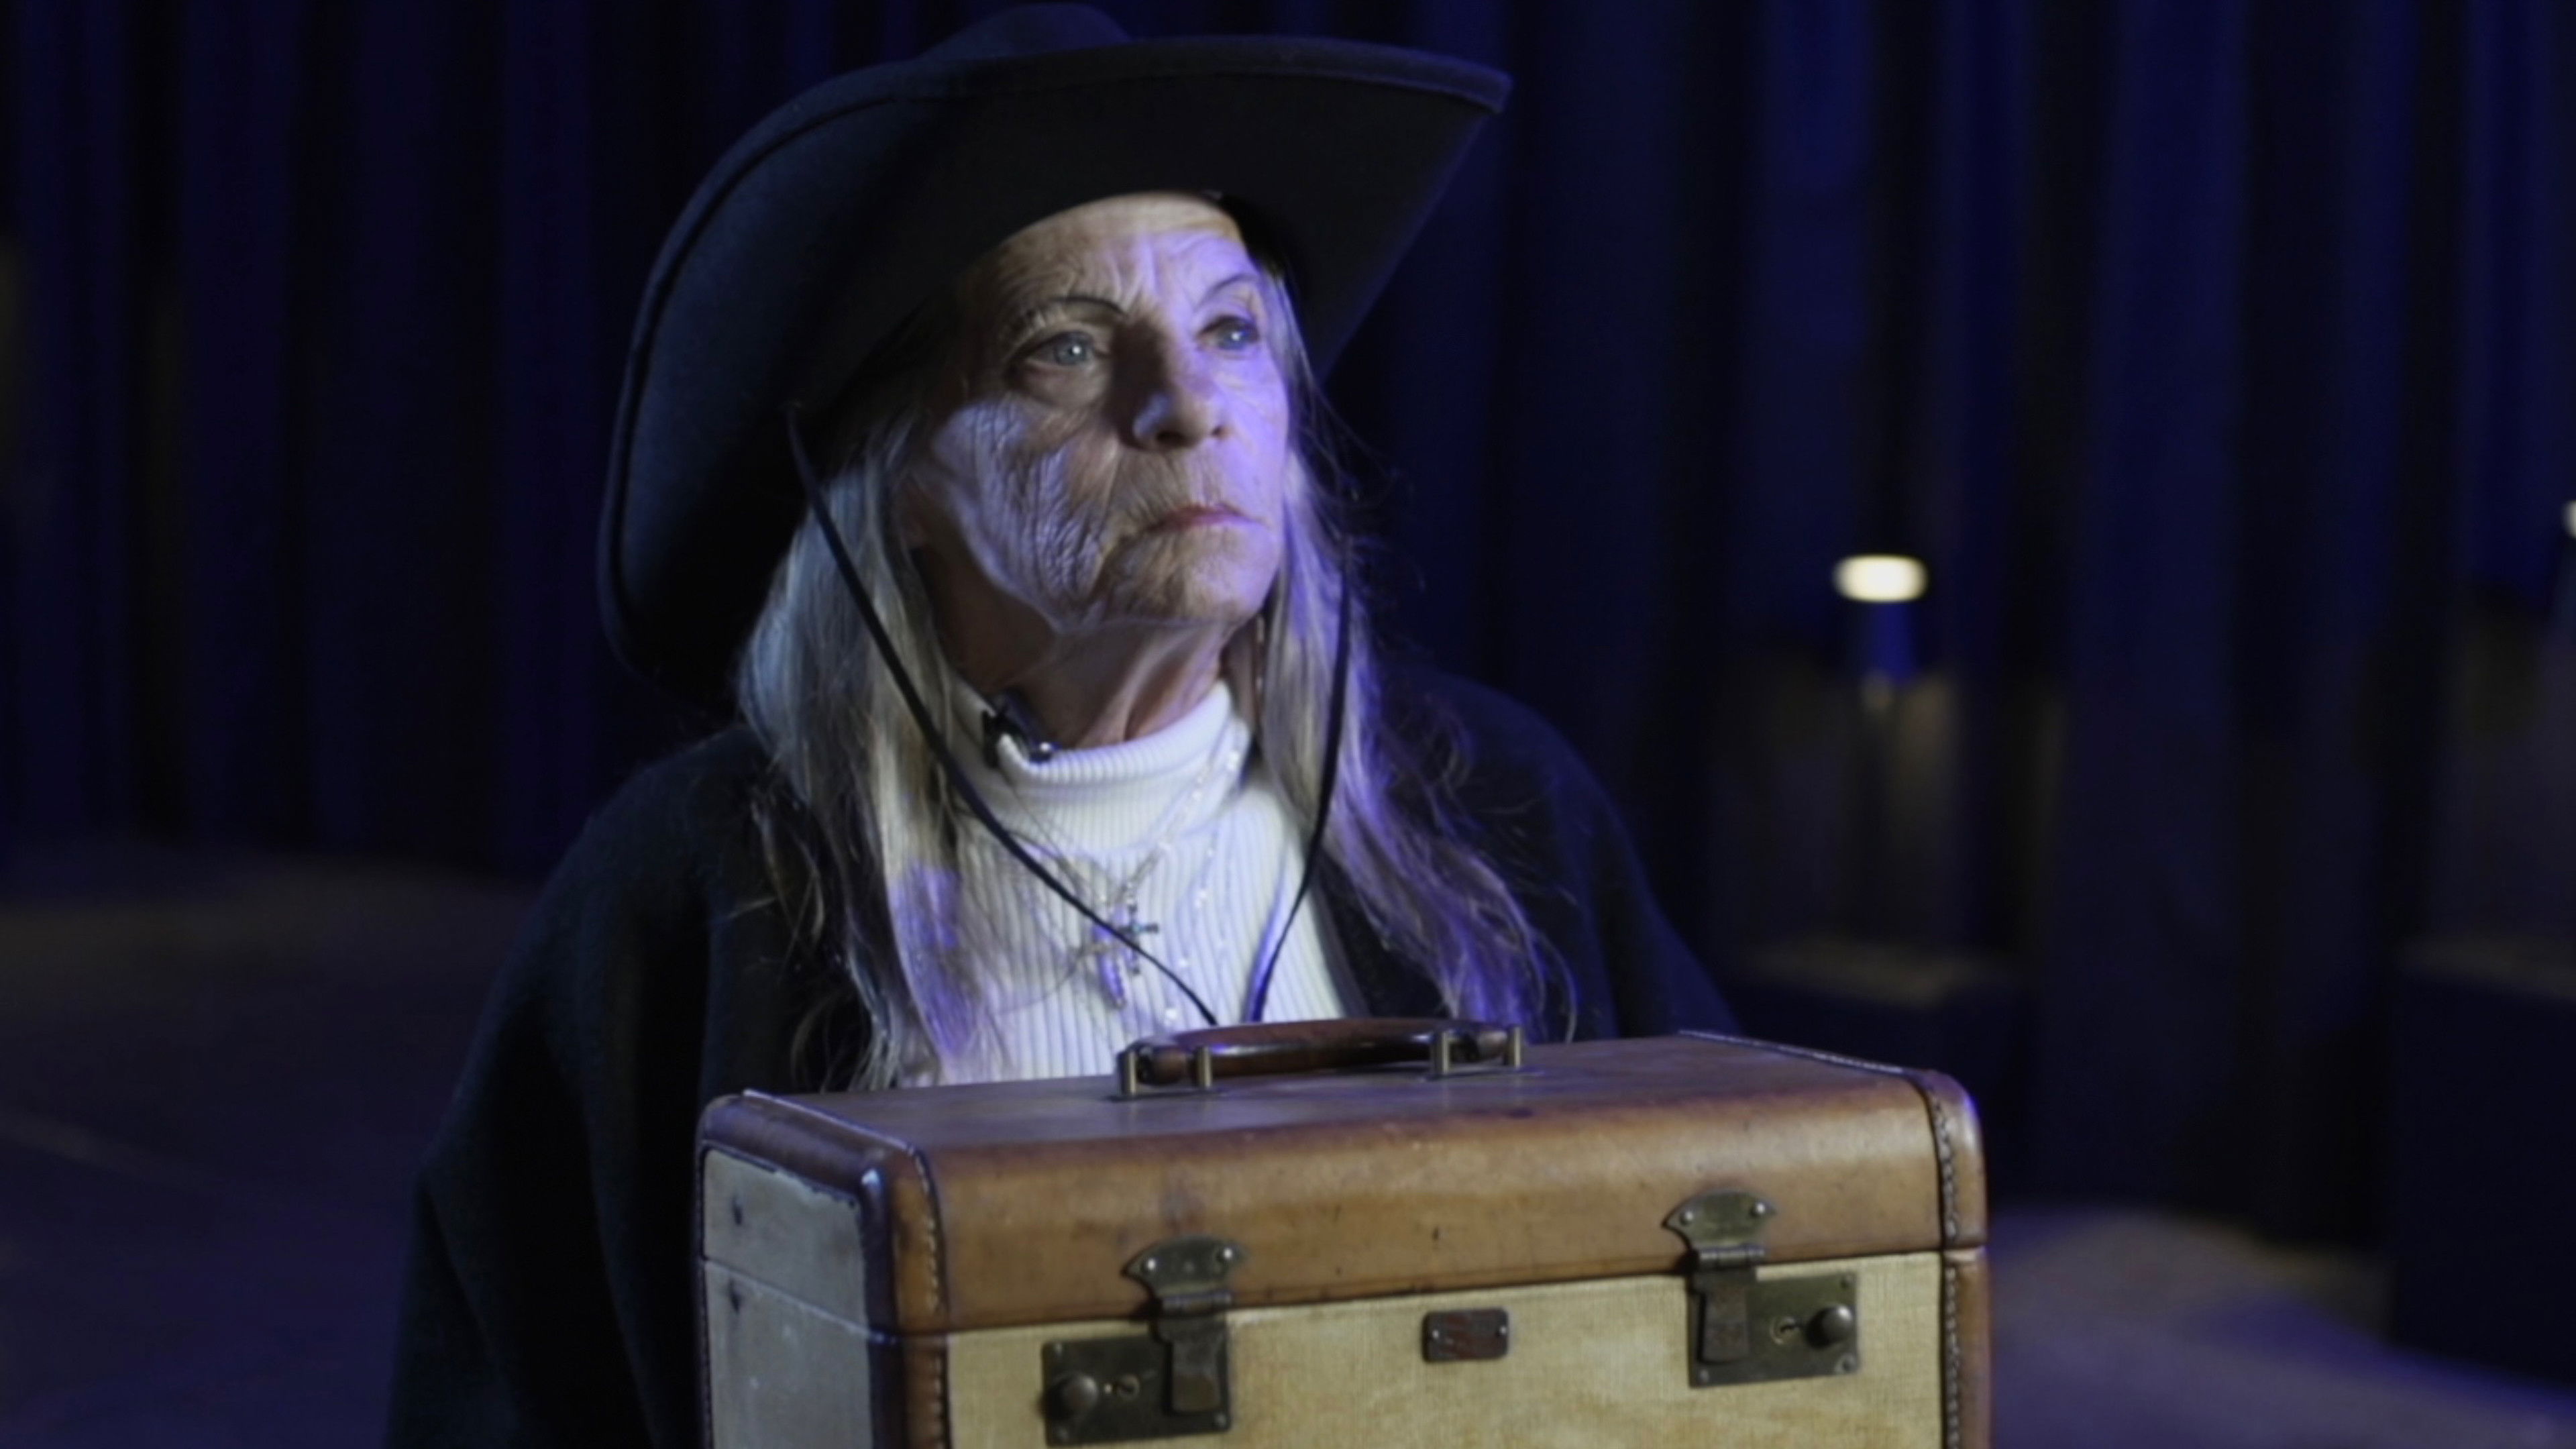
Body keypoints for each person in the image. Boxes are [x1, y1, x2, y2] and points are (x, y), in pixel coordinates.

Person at [385, 8, 1732, 1446]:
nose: (1187, 406)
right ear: (903, 475)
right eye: (1070, 349)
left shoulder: (1494, 807)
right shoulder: (696, 891)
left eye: (1230, 331)